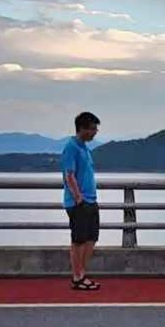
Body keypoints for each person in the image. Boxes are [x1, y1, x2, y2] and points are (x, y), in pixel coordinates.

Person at [61, 112, 101, 290]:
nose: (95, 132)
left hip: (91, 201)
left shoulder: (84, 147)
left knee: (91, 238)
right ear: (82, 129)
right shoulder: (71, 147)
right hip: (79, 203)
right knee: (78, 240)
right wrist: (78, 198)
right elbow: (69, 175)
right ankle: (77, 277)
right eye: (92, 129)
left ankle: (82, 273)